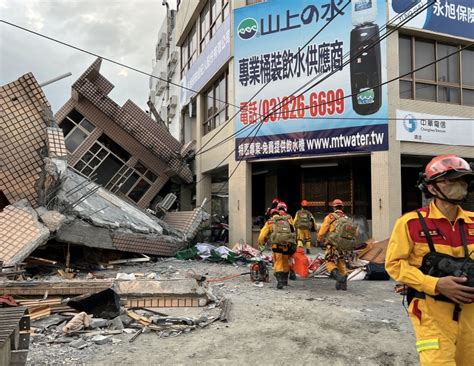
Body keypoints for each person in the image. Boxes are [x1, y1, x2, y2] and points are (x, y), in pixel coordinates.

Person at [385, 154, 474, 366]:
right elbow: (394, 264)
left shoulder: (472, 222)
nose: (459, 186)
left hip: (470, 312)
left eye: (463, 181)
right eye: (451, 181)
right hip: (430, 311)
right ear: (432, 188)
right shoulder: (411, 223)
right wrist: (435, 284)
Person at [258, 207, 296, 289]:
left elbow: (262, 236)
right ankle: (285, 280)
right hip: (287, 245)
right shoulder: (286, 221)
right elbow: (293, 231)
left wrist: (261, 243)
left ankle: (280, 281)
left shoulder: (270, 222)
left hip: (277, 246)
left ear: (271, 215)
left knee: (278, 262)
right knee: (285, 261)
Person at [317, 199, 350, 290]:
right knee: (341, 262)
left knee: (329, 261)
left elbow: (322, 231)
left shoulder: (330, 217)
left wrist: (319, 240)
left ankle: (339, 277)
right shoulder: (346, 218)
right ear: (342, 207)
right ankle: (343, 285)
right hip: (344, 246)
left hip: (333, 245)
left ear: (334, 207)